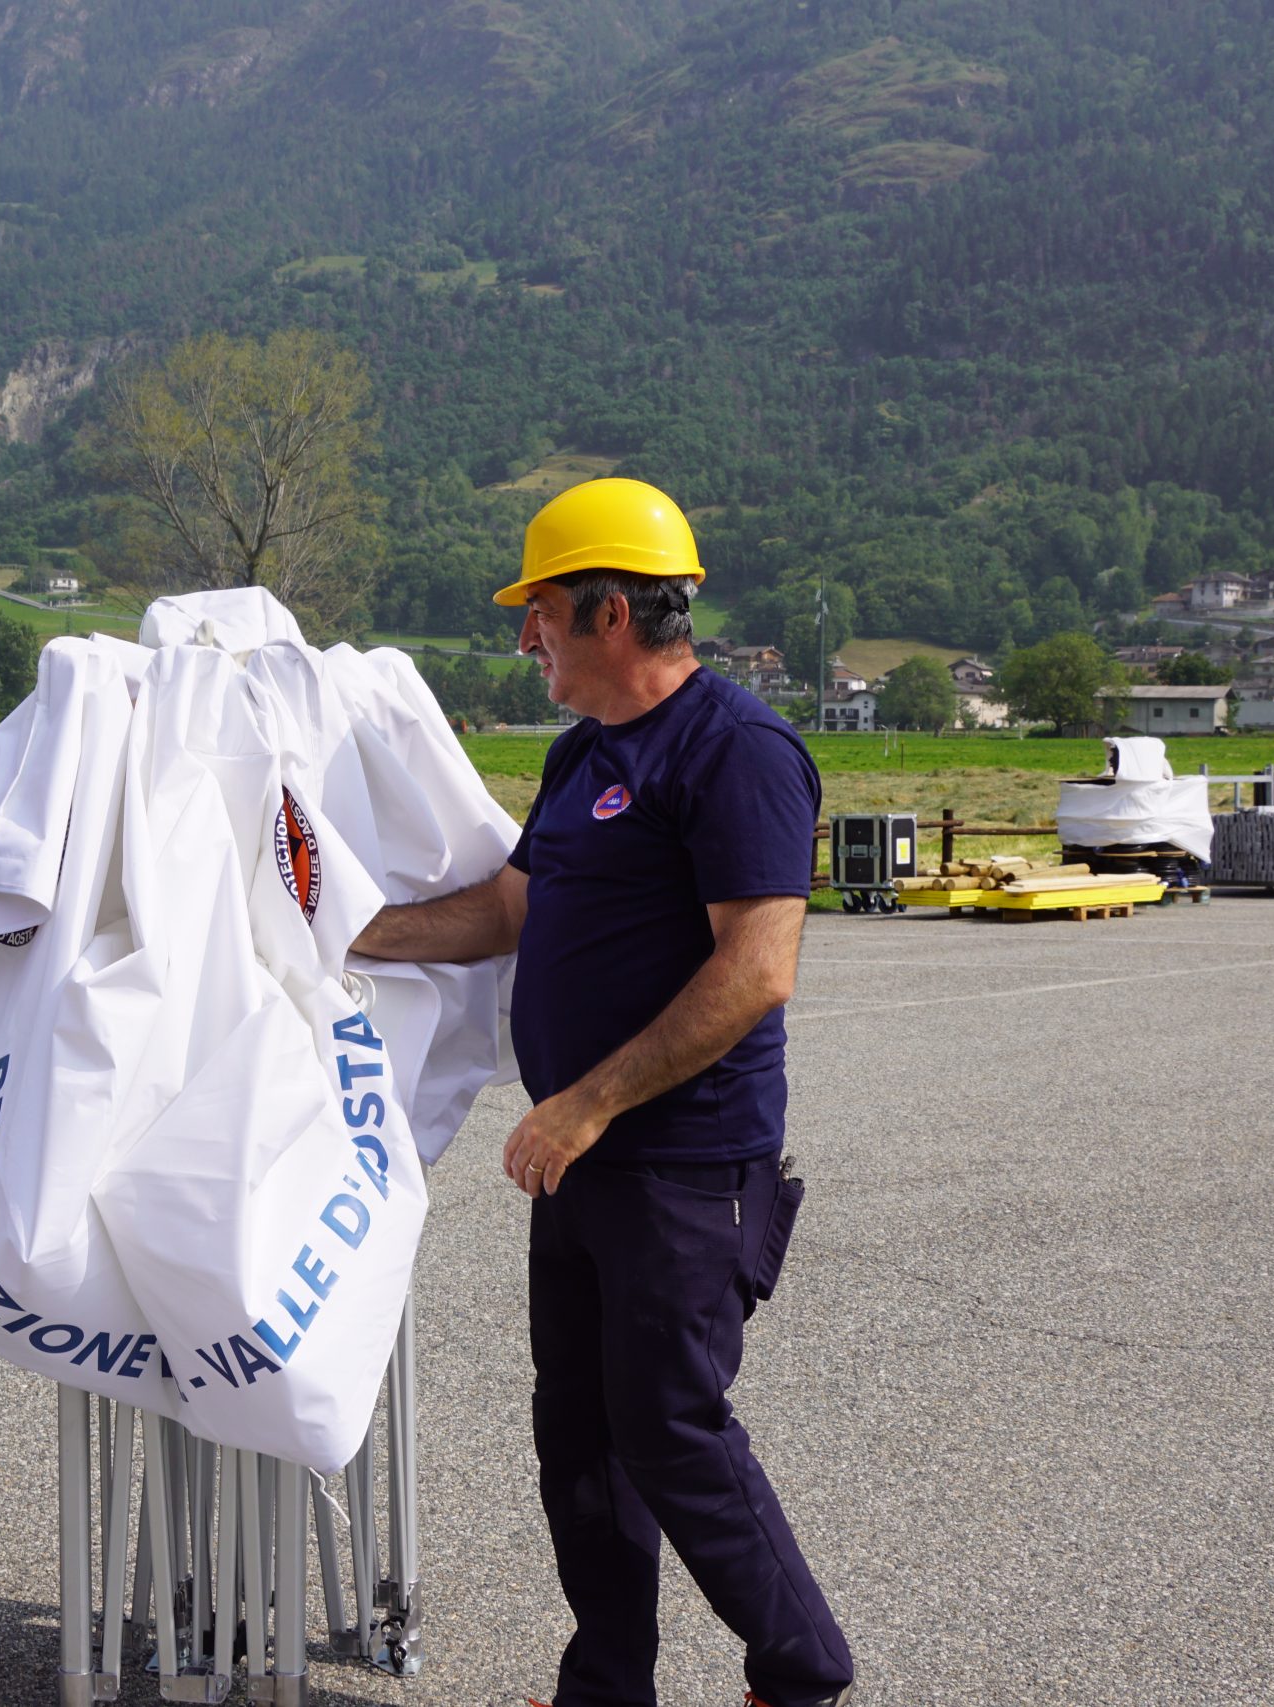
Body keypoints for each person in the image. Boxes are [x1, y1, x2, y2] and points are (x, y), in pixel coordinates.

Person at [352, 478, 855, 1707]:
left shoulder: (736, 752)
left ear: (609, 614)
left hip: (682, 1164)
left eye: (540, 614)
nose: (525, 638)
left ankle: (804, 1675)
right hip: (585, 1165)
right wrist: (336, 932)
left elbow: (756, 969)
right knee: (577, 1439)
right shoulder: (587, 754)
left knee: (672, 1431)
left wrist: (588, 1101)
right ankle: (605, 1690)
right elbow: (505, 911)